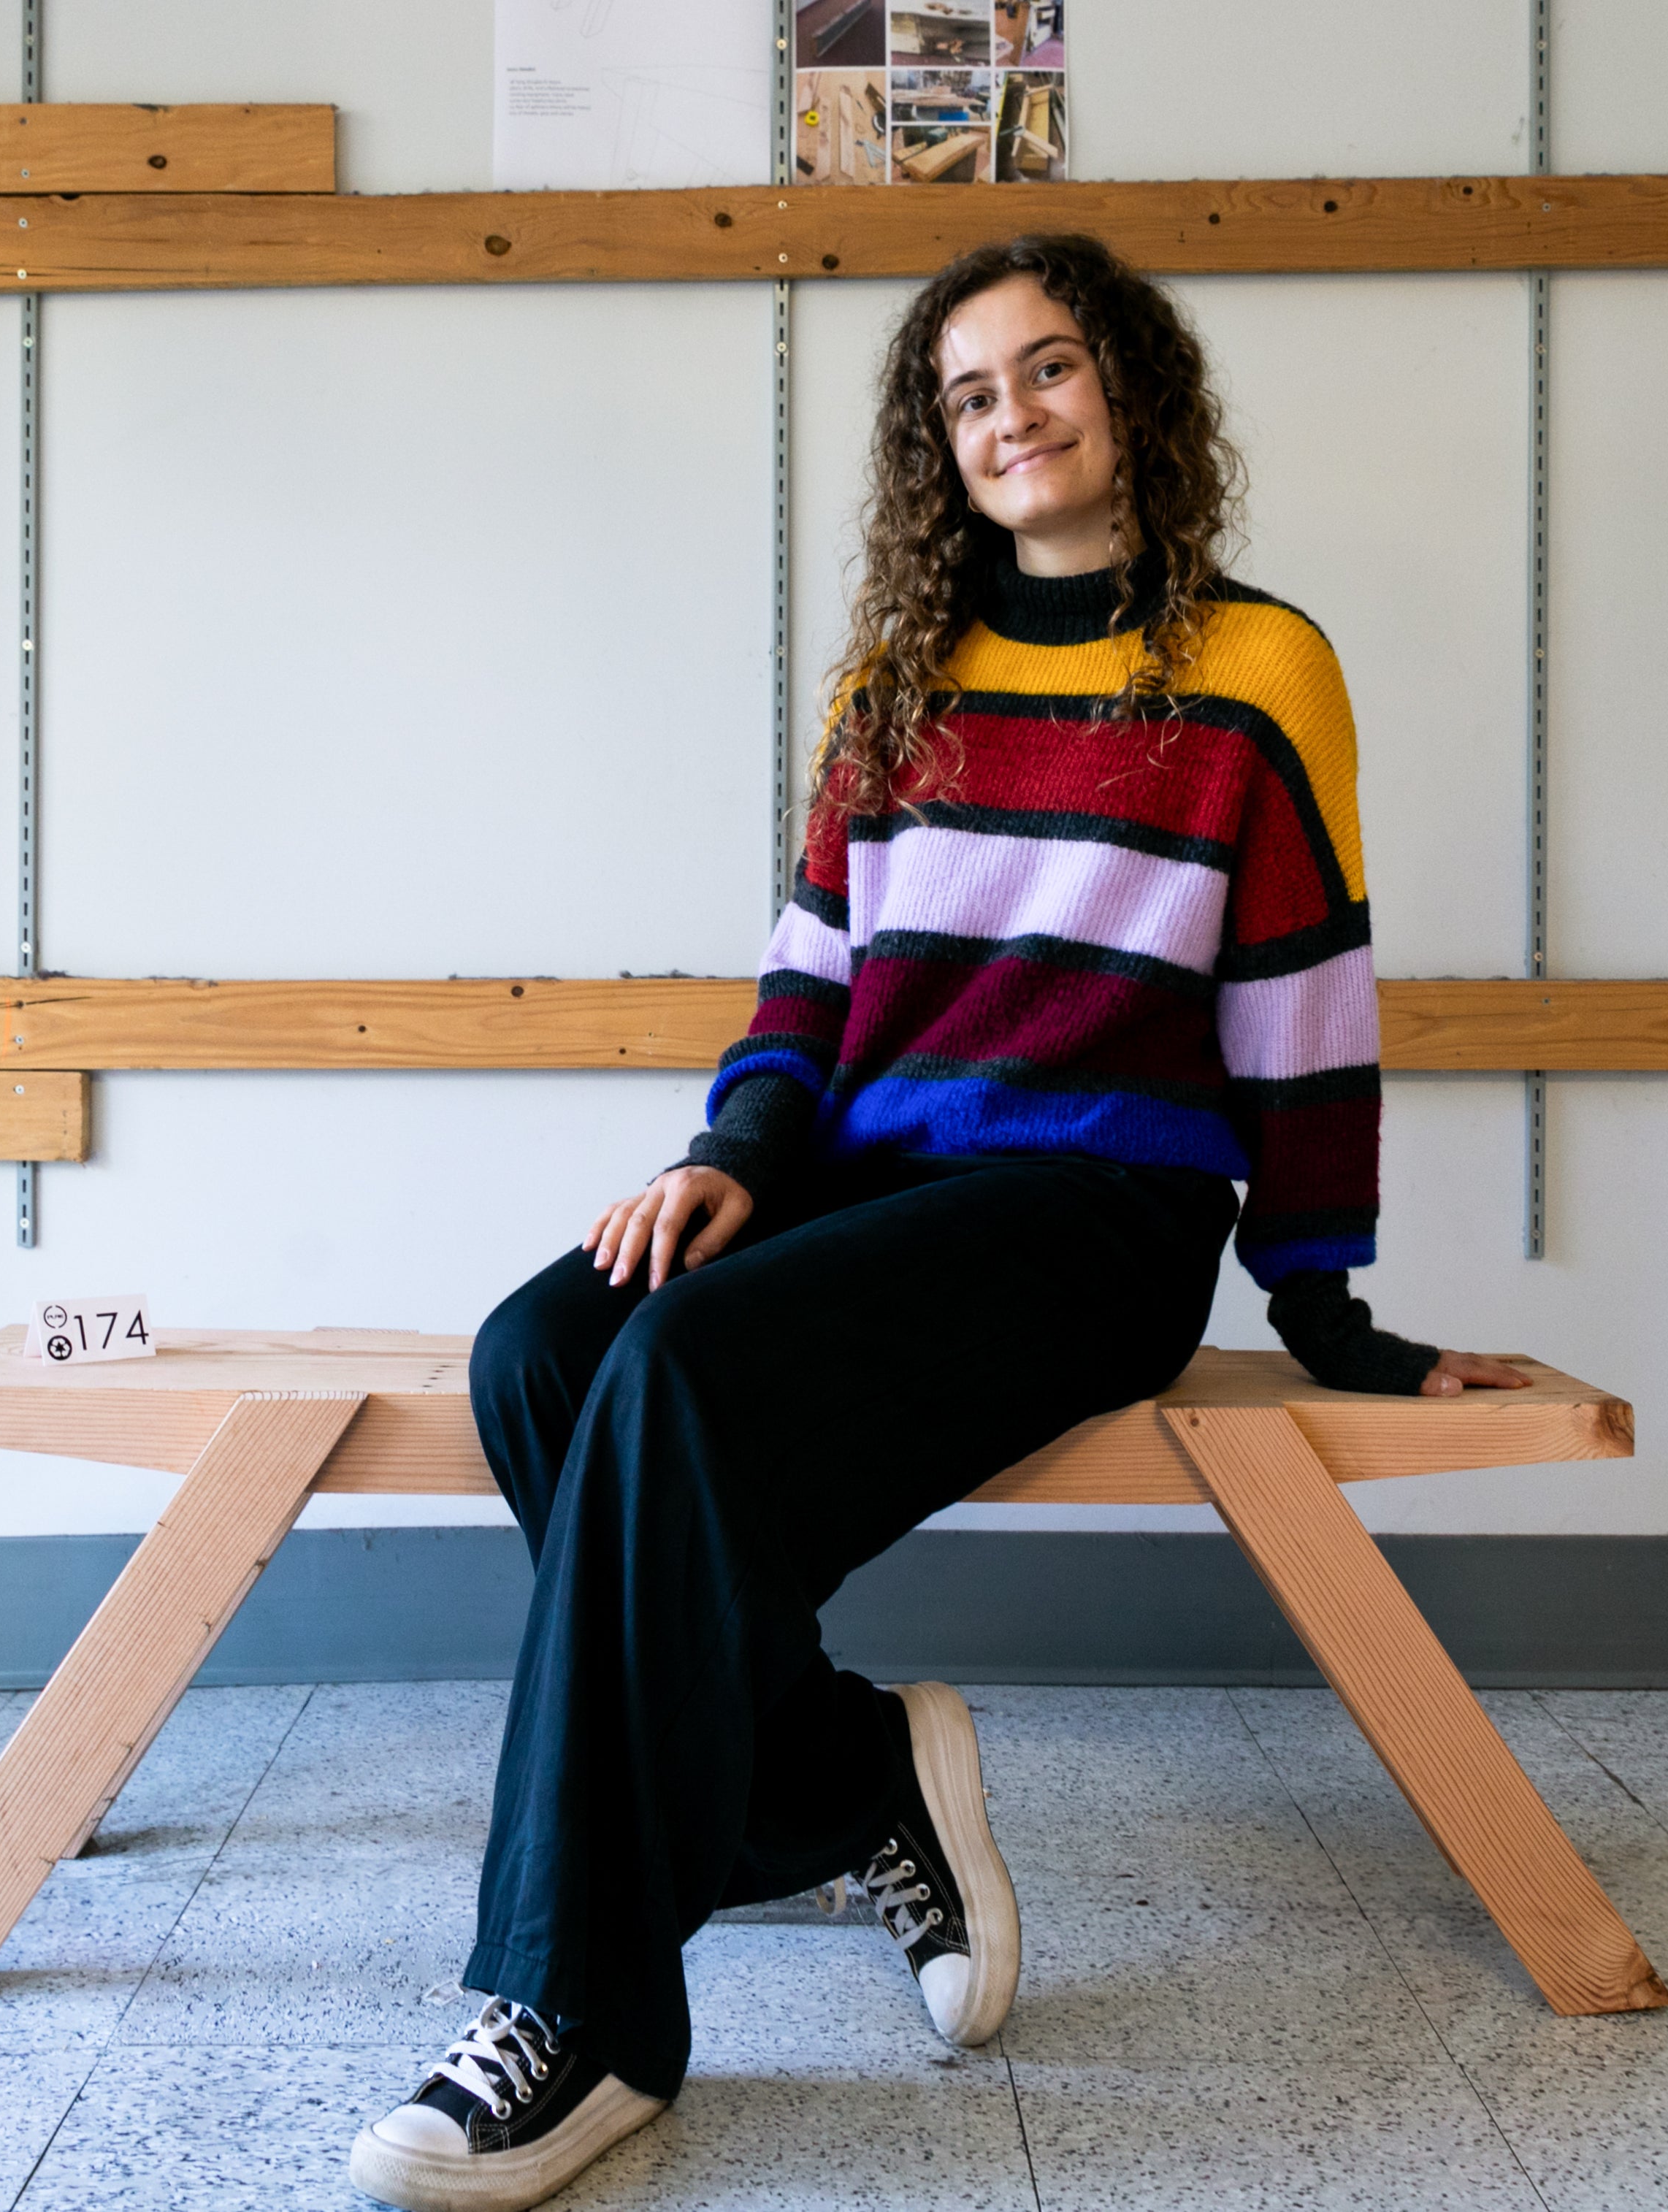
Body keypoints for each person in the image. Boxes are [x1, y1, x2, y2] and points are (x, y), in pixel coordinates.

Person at [348, 231, 1523, 2212]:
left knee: (684, 1379)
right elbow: (815, 976)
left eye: (1048, 371)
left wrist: (1328, 1309)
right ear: (938, 446)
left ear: (1131, 389)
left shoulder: (1258, 671)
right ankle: (841, 1774)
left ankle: (584, 2016)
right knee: (542, 1350)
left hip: (1099, 1203)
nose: (1012, 418)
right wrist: (735, 1147)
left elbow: (1306, 1001)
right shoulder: (898, 676)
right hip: (871, 1170)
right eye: (968, 396)